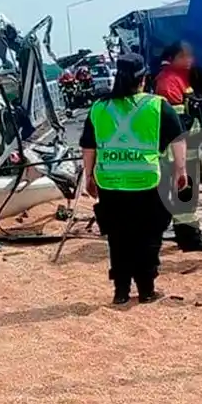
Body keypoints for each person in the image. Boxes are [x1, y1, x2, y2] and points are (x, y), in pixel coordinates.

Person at [80, 53, 187, 305]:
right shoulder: (157, 105)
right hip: (146, 181)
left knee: (118, 238)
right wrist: (181, 171)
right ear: (143, 79)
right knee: (148, 236)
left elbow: (88, 145)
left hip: (110, 182)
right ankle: (147, 290)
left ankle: (120, 292)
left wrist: (89, 176)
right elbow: (178, 139)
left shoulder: (99, 107)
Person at [154, 42, 202, 252]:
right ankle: (190, 240)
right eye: (185, 56)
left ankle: (188, 237)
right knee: (184, 197)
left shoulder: (180, 79)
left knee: (186, 196)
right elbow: (175, 124)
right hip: (177, 153)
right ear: (172, 59)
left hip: (188, 148)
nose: (190, 60)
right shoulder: (167, 82)